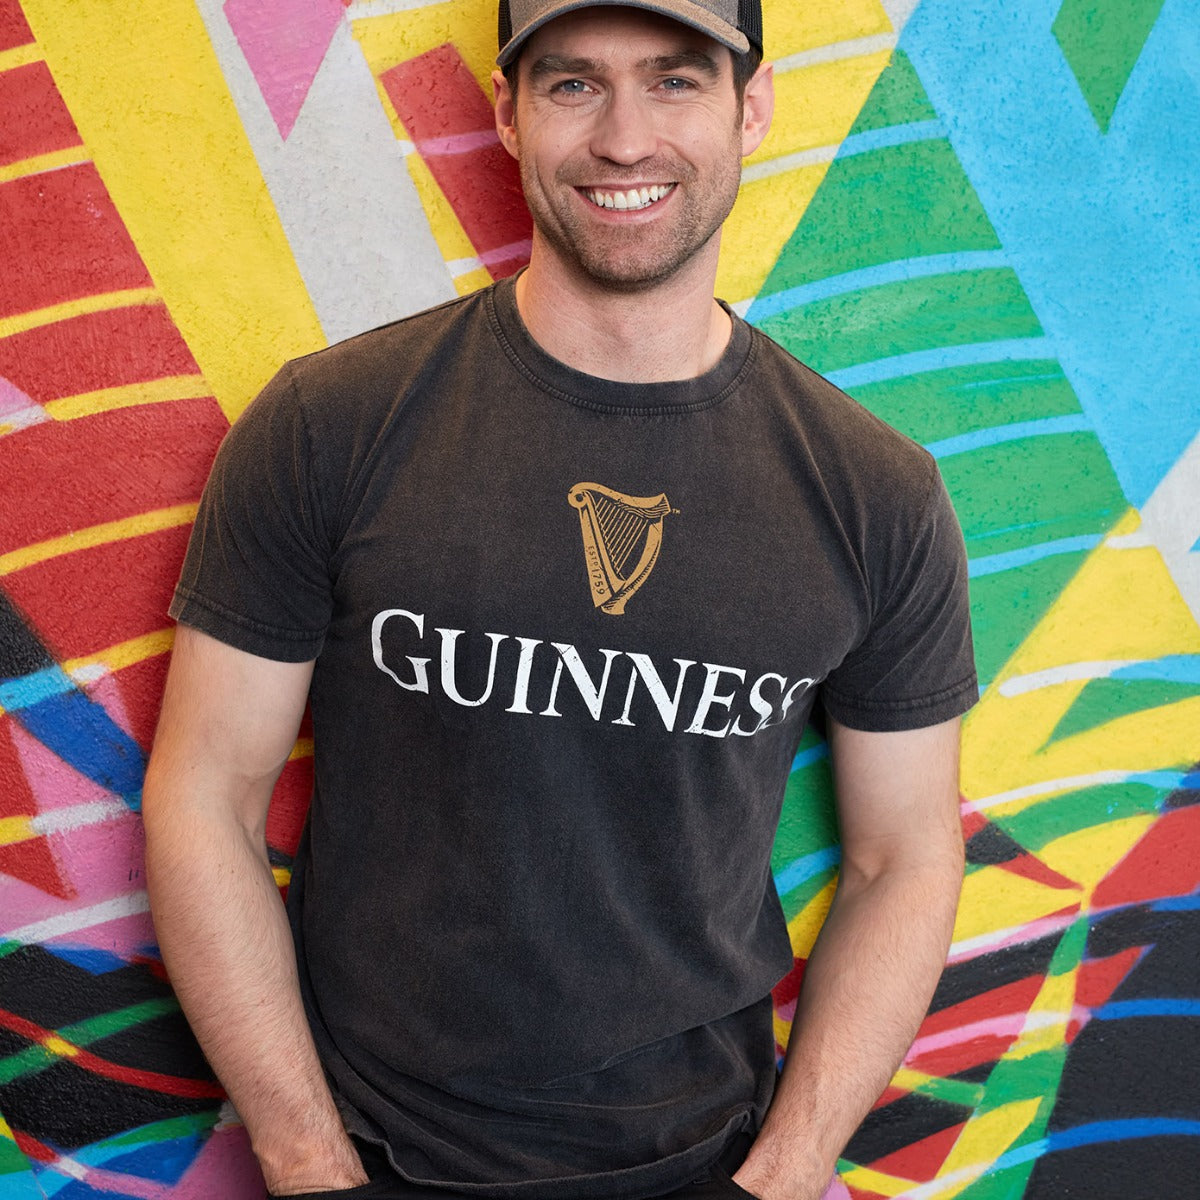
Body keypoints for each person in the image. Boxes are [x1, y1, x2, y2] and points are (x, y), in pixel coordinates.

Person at [142, 0, 976, 1197]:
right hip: (375, 1153)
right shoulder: (332, 425)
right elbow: (203, 793)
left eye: (676, 82)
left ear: (754, 106)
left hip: (706, 1157)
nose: (625, 139)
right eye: (574, 84)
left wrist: (785, 1175)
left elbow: (908, 858)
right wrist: (308, 1159)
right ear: (506, 112)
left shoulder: (875, 494)